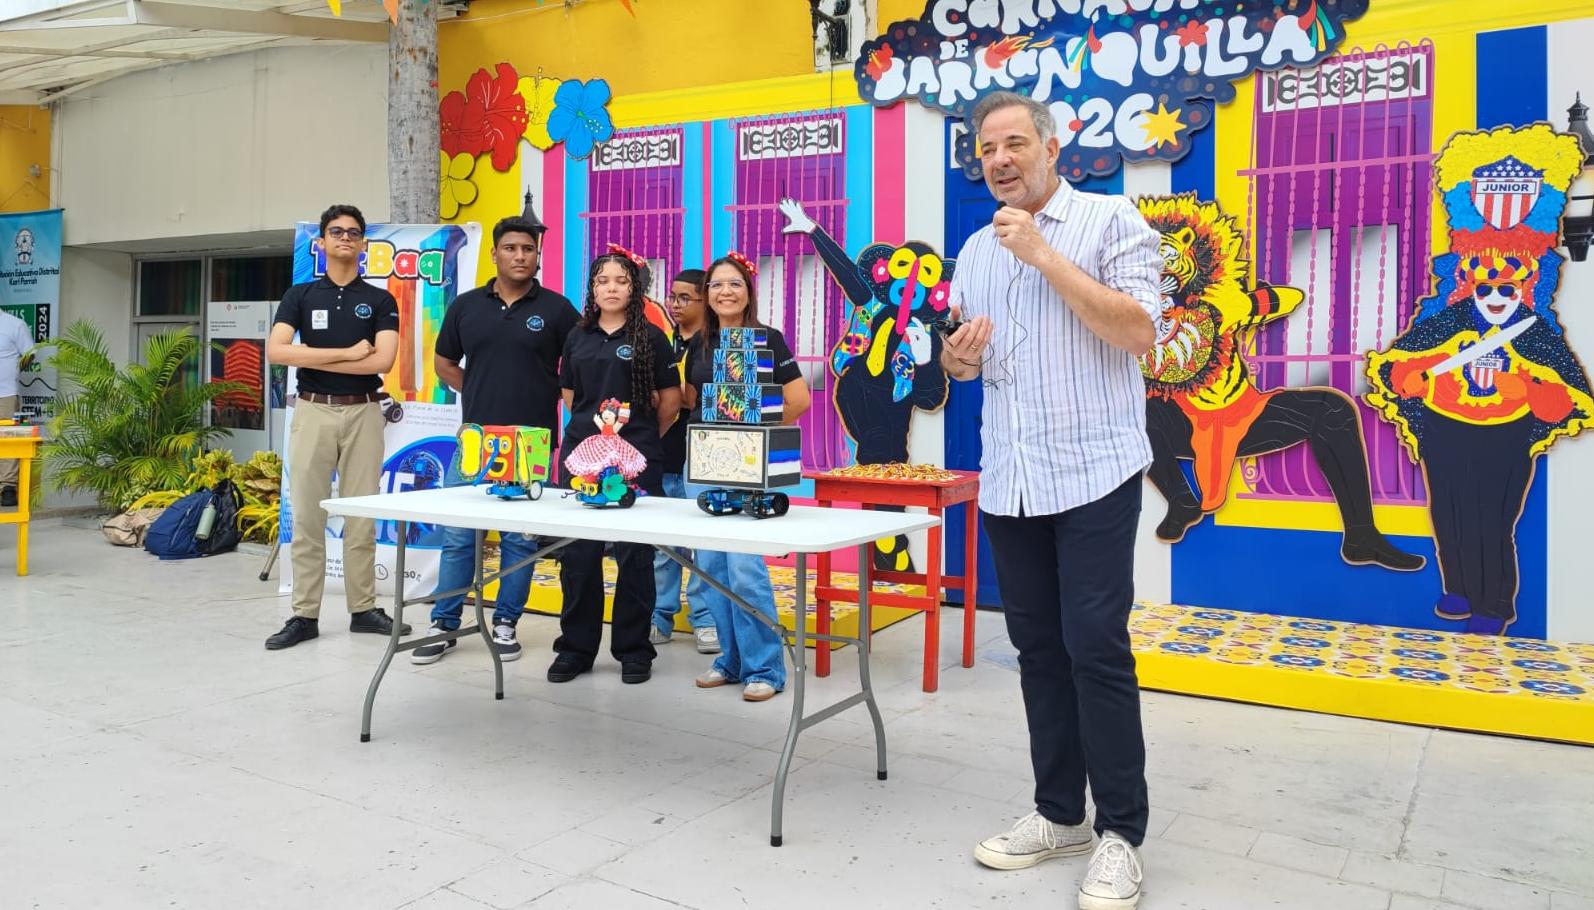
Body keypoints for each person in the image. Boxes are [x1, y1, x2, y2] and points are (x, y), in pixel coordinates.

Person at [944, 91, 1160, 910]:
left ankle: (1122, 834)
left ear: (1051, 146)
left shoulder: (1111, 222)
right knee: (1037, 652)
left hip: (1094, 471)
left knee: (1096, 645)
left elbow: (1141, 332)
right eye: (987, 149)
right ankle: (1060, 812)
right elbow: (970, 370)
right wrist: (959, 361)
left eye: (1013, 144)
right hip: (1012, 479)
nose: (999, 159)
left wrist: (1042, 255)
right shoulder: (973, 251)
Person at [412, 214, 577, 665]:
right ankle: (443, 624)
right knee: (459, 537)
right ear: (495, 254)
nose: (520, 256)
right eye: (511, 248)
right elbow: (445, 363)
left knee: (519, 541)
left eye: (528, 249)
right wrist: (483, 387)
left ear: (537, 255)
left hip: (531, 442)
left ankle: (505, 623)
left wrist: (557, 395)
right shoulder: (466, 306)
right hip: (475, 439)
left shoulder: (557, 309)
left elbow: (581, 363)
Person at [265, 204, 411, 650]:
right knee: (308, 516)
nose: (345, 238)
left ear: (363, 243)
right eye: (336, 231)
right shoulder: (301, 296)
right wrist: (349, 354)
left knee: (361, 517)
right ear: (322, 242)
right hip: (313, 411)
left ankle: (363, 609)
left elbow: (383, 361)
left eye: (353, 232)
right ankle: (304, 615)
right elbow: (277, 352)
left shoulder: (381, 300)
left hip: (365, 411)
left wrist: (313, 353)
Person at [683, 252, 810, 702]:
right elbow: (695, 401)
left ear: (749, 292)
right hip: (704, 466)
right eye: (716, 285)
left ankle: (765, 668)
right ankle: (730, 660)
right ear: (707, 295)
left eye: (734, 284)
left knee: (744, 568)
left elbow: (798, 399)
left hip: (748, 465)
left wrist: (755, 431)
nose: (725, 292)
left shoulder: (768, 339)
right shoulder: (699, 342)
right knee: (711, 567)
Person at [551, 253, 681, 684]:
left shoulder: (653, 338)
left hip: (636, 458)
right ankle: (575, 648)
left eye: (620, 281)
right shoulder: (577, 336)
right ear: (591, 289)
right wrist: (595, 440)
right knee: (579, 555)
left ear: (634, 288)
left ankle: (633, 649)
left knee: (635, 555)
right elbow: (571, 397)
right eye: (602, 280)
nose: (610, 287)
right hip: (583, 459)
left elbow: (669, 405)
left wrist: (632, 443)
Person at [650, 267, 719, 653]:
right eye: (672, 297)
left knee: (701, 546)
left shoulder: (712, 347)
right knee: (663, 546)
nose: (675, 305)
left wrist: (676, 394)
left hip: (702, 456)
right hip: (664, 454)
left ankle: (705, 620)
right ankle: (660, 614)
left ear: (705, 300)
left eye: (684, 298)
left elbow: (695, 401)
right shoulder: (662, 341)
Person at [0, 308, 34, 508]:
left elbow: (30, 354)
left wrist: (13, 370)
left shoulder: (15, 324)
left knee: (8, 439)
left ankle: (7, 487)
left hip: (6, 394)